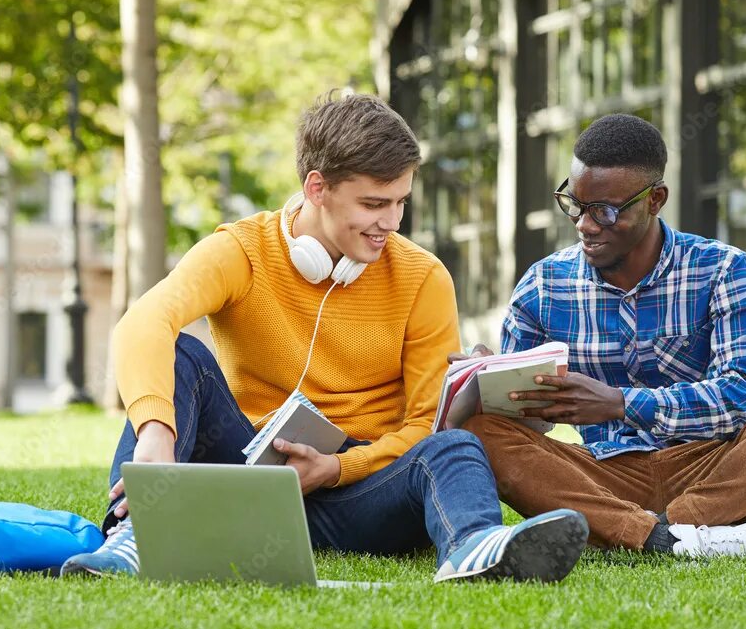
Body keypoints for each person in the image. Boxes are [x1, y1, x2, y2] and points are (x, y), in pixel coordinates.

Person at [62, 93, 588, 582]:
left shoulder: (424, 278)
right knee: (182, 355)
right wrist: (157, 431)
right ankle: (137, 535)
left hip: (363, 491)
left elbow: (421, 426)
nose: (391, 222)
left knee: (453, 445)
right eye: (373, 204)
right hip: (252, 471)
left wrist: (337, 467)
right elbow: (144, 320)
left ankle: (475, 548)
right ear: (317, 188)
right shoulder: (242, 250)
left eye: (400, 202)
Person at [460, 114, 746, 558]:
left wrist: (619, 402)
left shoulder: (720, 267)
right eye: (576, 205)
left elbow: (744, 395)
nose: (586, 225)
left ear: (655, 199)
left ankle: (654, 531)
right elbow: (527, 425)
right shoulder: (543, 284)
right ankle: (673, 539)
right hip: (602, 475)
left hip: (712, 466)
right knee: (480, 432)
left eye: (605, 210)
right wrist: (492, 378)